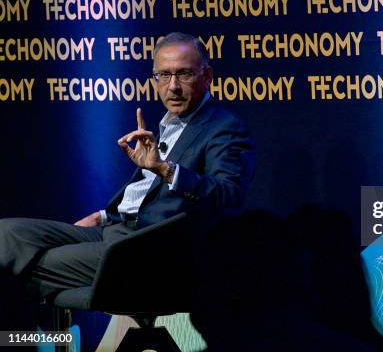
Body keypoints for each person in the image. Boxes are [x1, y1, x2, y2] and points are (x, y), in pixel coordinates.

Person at [0, 32, 255, 303]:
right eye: (164, 75)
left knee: (32, 263)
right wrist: (104, 216)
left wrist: (166, 170)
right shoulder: (170, 123)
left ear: (207, 76)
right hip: (115, 230)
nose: (173, 86)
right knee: (7, 234)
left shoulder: (224, 128)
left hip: (148, 250)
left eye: (184, 74)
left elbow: (229, 196)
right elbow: (149, 197)